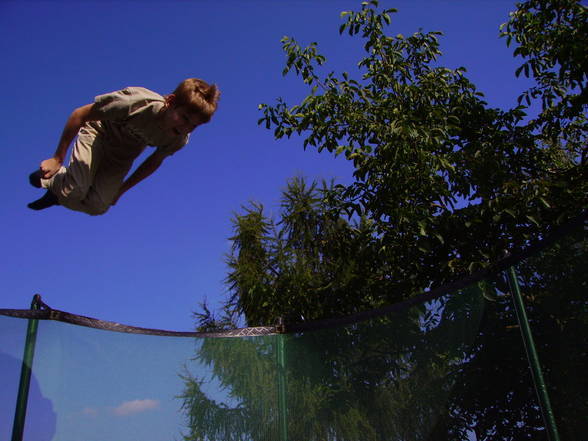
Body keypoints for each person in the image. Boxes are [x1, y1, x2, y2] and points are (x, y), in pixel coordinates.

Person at [28, 78, 220, 215]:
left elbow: (152, 163)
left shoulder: (179, 139)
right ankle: (53, 182)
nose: (185, 127)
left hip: (120, 158)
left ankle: (58, 195)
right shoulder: (138, 102)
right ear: (170, 102)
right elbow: (79, 114)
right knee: (76, 189)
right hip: (98, 136)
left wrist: (122, 190)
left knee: (98, 206)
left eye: (193, 126)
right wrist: (57, 158)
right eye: (184, 118)